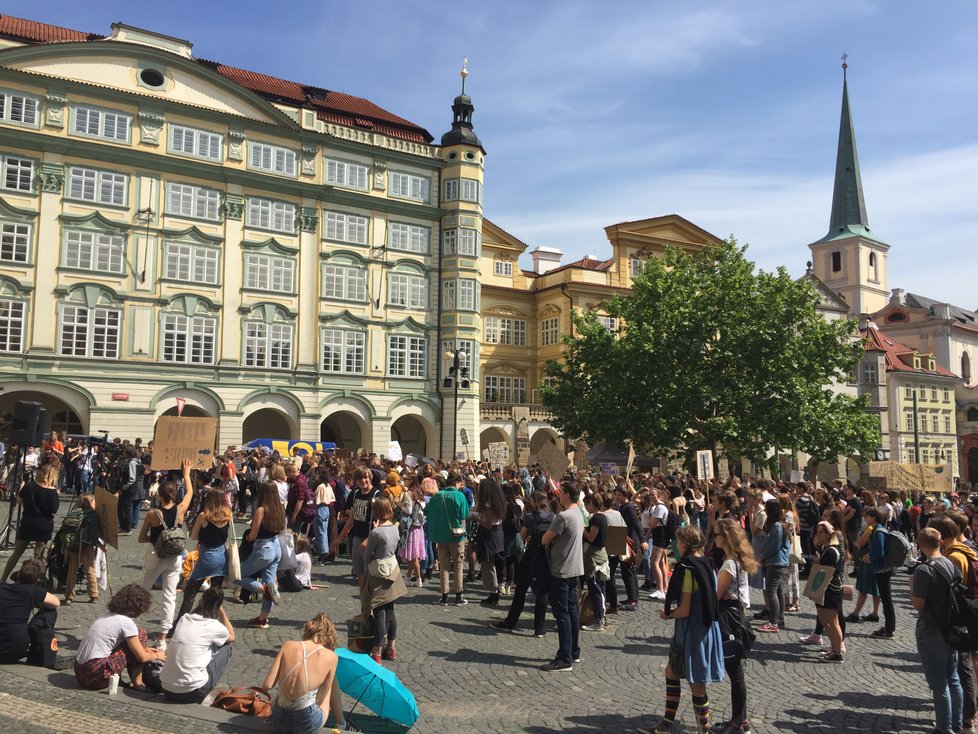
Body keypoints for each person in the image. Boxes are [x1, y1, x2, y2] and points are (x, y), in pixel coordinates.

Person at [654, 526, 724, 733]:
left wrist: (668, 614)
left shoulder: (688, 568)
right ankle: (665, 726)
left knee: (697, 685)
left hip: (693, 631)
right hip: (706, 627)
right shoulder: (708, 563)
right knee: (672, 672)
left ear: (684, 544)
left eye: (678, 542)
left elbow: (684, 609)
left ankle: (704, 730)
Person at [137, 459, 195, 648]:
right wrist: (186, 474)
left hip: (156, 554)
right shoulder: (180, 510)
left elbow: (141, 538)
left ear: (159, 495)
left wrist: (157, 539)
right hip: (175, 557)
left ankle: (129, 624)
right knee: (169, 596)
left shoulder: (153, 513)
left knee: (142, 589)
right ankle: (162, 638)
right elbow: (190, 493)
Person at [911, 527, 963, 734]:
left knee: (939, 682)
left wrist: (911, 586)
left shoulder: (923, 570)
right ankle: (956, 723)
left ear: (920, 544)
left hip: (931, 629)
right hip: (951, 627)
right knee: (953, 678)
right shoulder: (950, 562)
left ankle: (944, 727)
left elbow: (918, 604)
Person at [262, 614, 350, 734]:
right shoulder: (331, 657)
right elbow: (320, 699)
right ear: (329, 637)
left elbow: (267, 685)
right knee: (331, 679)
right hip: (306, 723)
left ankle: (342, 723)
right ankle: (342, 723)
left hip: (279, 719)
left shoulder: (288, 645)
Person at [711, 518, 757, 734]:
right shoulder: (736, 560)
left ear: (726, 538)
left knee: (735, 673)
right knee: (736, 672)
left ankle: (738, 723)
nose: (714, 538)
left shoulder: (730, 564)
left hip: (729, 620)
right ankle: (741, 720)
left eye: (717, 534)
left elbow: (716, 596)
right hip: (736, 615)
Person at [74, 584, 163, 690]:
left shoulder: (106, 615)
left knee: (135, 642)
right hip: (96, 675)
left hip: (80, 672)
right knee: (141, 635)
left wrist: (143, 649)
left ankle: (122, 680)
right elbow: (142, 657)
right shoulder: (126, 622)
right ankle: (137, 683)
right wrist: (158, 655)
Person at [489, 490, 553, 636]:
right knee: (542, 593)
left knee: (521, 591)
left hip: (530, 556)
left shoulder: (530, 517)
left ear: (534, 501)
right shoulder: (552, 517)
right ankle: (539, 628)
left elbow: (522, 536)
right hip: (545, 556)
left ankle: (510, 622)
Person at [158, 587, 234, 702]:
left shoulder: (184, 619)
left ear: (201, 600)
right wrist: (222, 613)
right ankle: (205, 694)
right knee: (226, 647)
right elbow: (232, 636)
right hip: (192, 692)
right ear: (218, 606)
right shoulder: (214, 626)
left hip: (166, 687)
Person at [540, 480, 584, 672]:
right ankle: (574, 651)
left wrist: (552, 537)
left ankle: (564, 657)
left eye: (561, 492)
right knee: (572, 610)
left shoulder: (563, 516)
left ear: (566, 494)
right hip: (575, 567)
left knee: (562, 613)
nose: (558, 494)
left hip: (562, 568)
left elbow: (544, 539)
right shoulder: (579, 513)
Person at [174, 488, 230, 628]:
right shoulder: (228, 514)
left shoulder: (204, 516)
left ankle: (179, 624)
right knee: (216, 591)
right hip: (222, 556)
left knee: (190, 592)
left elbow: (193, 536)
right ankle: (212, 619)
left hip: (207, 556)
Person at [361, 496, 407, 663]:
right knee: (390, 610)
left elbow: (367, 557)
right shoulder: (395, 528)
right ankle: (391, 647)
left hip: (378, 573)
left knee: (379, 612)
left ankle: (376, 651)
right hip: (392, 570)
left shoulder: (375, 533)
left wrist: (374, 531)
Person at [237, 481, 287, 629]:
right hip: (276, 546)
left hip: (263, 548)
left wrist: (246, 538)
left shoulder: (261, 510)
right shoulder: (280, 508)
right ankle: (263, 618)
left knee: (237, 575)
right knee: (270, 581)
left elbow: (253, 536)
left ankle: (262, 589)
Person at [0, 462, 60, 582]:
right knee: (38, 556)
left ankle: (3, 578)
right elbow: (54, 510)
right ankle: (35, 581)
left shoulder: (29, 486)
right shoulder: (52, 491)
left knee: (16, 553)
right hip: (44, 524)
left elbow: (18, 501)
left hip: (28, 522)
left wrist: (22, 488)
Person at [0, 559, 59, 664]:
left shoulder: (2, 587)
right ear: (37, 580)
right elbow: (56, 602)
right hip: (14, 649)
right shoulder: (33, 591)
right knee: (50, 610)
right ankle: (39, 650)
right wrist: (37, 601)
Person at [426, 470, 470, 606]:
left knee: (444, 566)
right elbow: (464, 515)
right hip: (456, 536)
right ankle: (458, 595)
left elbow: (427, 512)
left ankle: (444, 596)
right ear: (456, 482)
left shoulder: (437, 496)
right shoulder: (460, 496)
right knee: (458, 565)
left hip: (440, 535)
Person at [332, 467, 380, 587]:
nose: (363, 481)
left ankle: (371, 601)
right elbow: (351, 519)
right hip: (357, 538)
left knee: (371, 574)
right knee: (359, 573)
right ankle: (364, 600)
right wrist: (339, 538)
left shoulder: (377, 495)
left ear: (370, 478)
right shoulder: (356, 494)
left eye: (365, 478)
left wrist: (369, 539)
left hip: (371, 539)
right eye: (360, 479)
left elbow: (381, 522)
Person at [812, 521, 847, 663]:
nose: (818, 534)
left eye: (821, 532)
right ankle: (834, 647)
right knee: (824, 618)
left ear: (828, 535)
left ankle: (837, 652)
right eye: (817, 531)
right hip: (827, 588)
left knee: (833, 622)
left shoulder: (832, 551)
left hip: (830, 589)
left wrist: (817, 563)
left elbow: (826, 571)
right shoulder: (827, 549)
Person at [862, 506, 896, 639]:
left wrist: (869, 558)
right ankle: (889, 627)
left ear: (873, 517)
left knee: (887, 599)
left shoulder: (878, 532)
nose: (865, 518)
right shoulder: (877, 530)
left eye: (867, 516)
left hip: (882, 569)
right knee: (886, 598)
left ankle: (889, 629)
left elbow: (880, 552)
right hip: (882, 568)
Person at [63, 493, 102, 604]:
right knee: (90, 569)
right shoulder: (91, 514)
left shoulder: (74, 512)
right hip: (86, 545)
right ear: (91, 502)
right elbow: (92, 532)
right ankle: (93, 594)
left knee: (72, 569)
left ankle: (69, 595)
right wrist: (99, 544)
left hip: (72, 545)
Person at [757, 498, 789, 633]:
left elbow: (774, 546)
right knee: (778, 590)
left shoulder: (777, 525)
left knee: (771, 591)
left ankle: (773, 622)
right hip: (777, 561)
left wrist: (762, 557)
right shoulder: (777, 524)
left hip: (776, 561)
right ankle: (779, 619)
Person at [581, 492, 610, 632]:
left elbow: (591, 538)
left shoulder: (597, 519)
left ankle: (599, 619)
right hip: (600, 554)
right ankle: (601, 616)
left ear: (592, 504)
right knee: (600, 587)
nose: (586, 507)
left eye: (587, 504)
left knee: (595, 589)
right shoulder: (602, 517)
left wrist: (582, 529)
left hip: (595, 556)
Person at [476, 477, 506, 606]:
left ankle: (494, 593)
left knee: (489, 564)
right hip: (498, 533)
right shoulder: (497, 501)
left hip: (489, 534)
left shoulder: (488, 504)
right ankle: (495, 590)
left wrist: (476, 519)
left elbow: (488, 524)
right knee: (494, 563)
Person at [398, 477, 426, 587]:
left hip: (411, 527)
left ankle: (418, 579)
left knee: (414, 556)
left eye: (405, 479)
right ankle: (408, 578)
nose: (404, 480)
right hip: (419, 527)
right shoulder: (419, 493)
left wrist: (400, 505)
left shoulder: (409, 493)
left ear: (410, 481)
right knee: (414, 555)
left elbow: (408, 511)